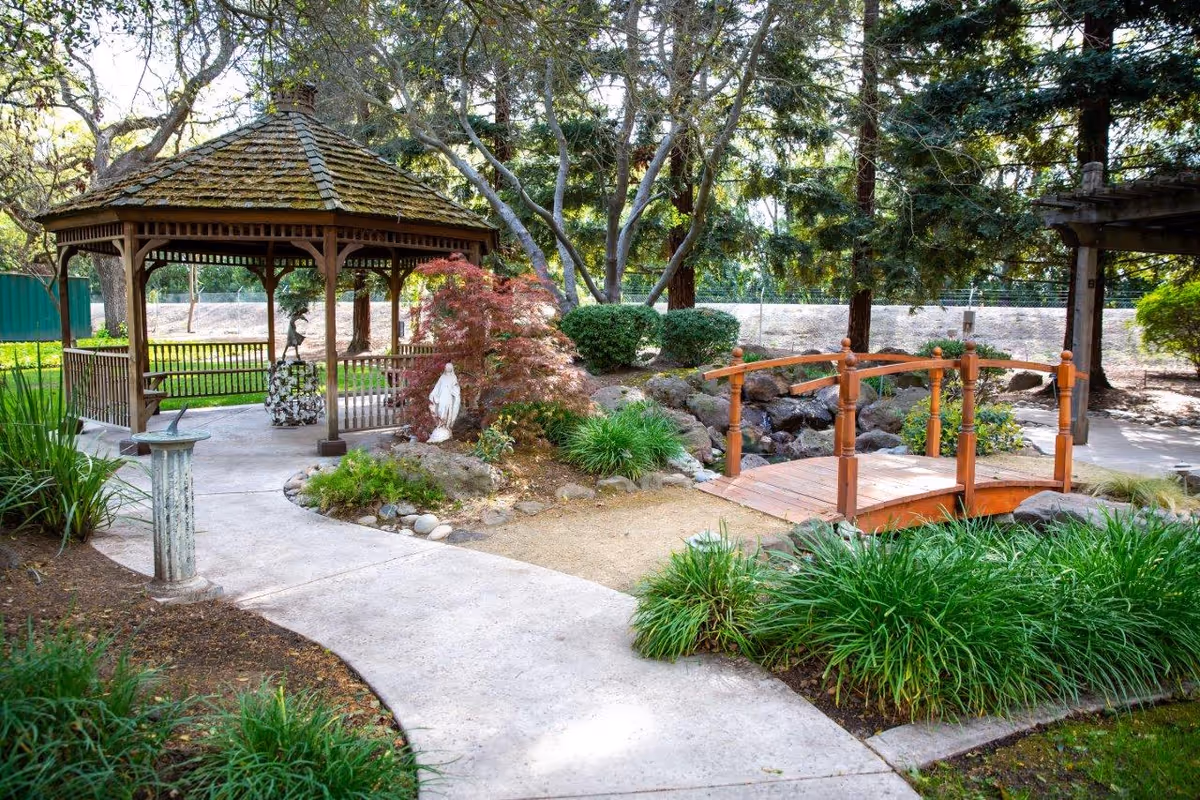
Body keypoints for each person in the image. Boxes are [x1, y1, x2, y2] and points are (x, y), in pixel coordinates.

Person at [427, 363, 461, 443]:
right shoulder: (442, 377)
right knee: (440, 410)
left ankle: (445, 426)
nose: (447, 368)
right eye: (446, 367)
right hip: (442, 397)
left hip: (448, 397)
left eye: (449, 367)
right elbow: (437, 387)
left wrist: (455, 392)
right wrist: (433, 394)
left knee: (447, 411)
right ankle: (440, 424)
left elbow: (456, 387)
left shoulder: (453, 377)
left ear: (451, 368)